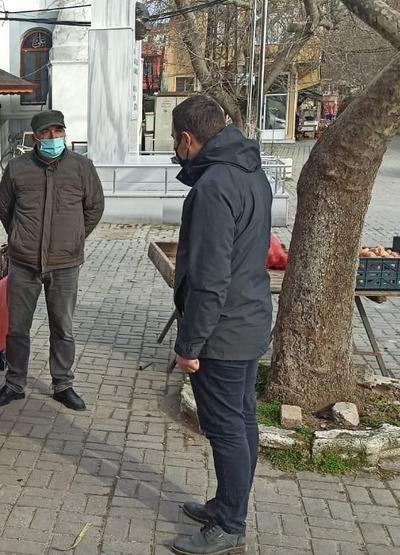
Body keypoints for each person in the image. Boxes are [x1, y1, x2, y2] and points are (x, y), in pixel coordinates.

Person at [168, 95, 273, 555]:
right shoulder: (251, 171)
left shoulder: (213, 187)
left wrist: (190, 344)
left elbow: (210, 278)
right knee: (242, 420)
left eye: (175, 141)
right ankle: (226, 505)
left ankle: (231, 523)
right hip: (249, 316)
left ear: (188, 139)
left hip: (223, 329)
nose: (175, 150)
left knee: (227, 427)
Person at [0, 110, 104, 411]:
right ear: (35, 137)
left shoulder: (82, 167)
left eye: (57, 131)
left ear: (64, 133)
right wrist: (20, 235)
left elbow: (94, 208)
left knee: (63, 327)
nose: (52, 137)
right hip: (24, 263)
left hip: (65, 264)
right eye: (46, 133)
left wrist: (74, 237)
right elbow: (6, 209)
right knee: (17, 328)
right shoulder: (17, 168)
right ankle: (15, 384)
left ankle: (63, 384)